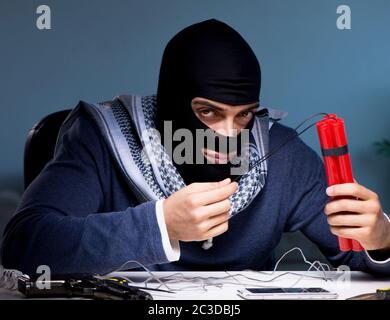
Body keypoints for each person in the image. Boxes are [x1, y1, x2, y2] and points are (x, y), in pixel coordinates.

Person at [1, 19, 389, 276]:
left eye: (244, 115)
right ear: (171, 103)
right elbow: (23, 245)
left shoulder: (279, 150)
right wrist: (161, 224)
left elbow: (358, 254)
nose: (228, 135)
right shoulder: (100, 138)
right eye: (208, 112)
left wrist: (381, 237)